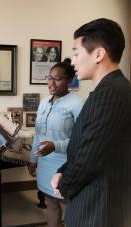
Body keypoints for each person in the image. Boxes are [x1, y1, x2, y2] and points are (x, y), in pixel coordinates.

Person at [51, 18, 131, 227]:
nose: (73, 62)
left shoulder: (111, 93)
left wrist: (63, 184)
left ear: (98, 54)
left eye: (76, 53)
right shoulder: (110, 89)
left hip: (97, 206)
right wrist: (63, 170)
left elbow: (88, 156)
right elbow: (87, 143)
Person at [28, 58, 84, 227]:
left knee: (66, 204)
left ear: (69, 80)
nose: (51, 82)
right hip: (44, 163)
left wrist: (55, 146)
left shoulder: (78, 104)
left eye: (57, 79)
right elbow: (38, 133)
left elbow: (81, 140)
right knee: (50, 202)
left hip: (65, 164)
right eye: (49, 77)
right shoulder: (44, 102)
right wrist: (33, 159)